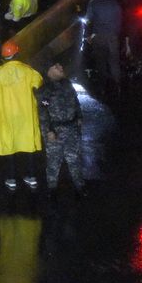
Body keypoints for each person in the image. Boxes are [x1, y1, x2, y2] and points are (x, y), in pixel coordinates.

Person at [0, 40, 43, 191]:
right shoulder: (27, 70)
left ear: (4, 57)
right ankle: (31, 177)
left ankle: (11, 179)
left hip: (7, 116)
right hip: (26, 115)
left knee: (9, 145)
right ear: (17, 54)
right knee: (28, 144)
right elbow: (38, 82)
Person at [36, 62, 86, 199]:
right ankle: (52, 189)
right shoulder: (45, 91)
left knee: (74, 159)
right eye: (56, 67)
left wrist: (79, 117)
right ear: (49, 71)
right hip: (55, 131)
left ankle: (79, 187)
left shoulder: (67, 85)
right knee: (53, 161)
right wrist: (47, 131)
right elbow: (42, 112)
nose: (61, 67)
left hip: (71, 128)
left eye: (60, 65)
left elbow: (76, 102)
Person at [83, 0, 123, 99]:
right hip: (112, 37)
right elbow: (119, 23)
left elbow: (87, 20)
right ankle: (118, 87)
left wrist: (89, 35)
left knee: (101, 63)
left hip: (98, 37)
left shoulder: (93, 3)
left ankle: (102, 88)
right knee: (114, 63)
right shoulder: (116, 4)